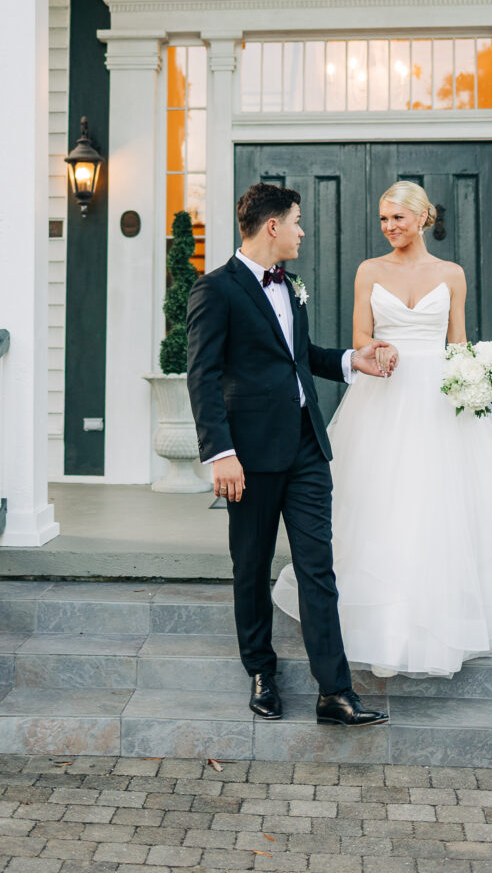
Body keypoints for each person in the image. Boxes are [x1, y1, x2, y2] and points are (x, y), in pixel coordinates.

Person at [272, 181, 492, 678]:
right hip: (384, 395)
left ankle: (447, 615)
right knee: (384, 499)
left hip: (440, 399)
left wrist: (473, 379)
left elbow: (457, 342)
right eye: (383, 219)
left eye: (398, 218)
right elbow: (359, 336)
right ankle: (386, 621)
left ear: (423, 218)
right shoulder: (369, 271)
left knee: (441, 502)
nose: (390, 227)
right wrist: (377, 348)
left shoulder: (452, 274)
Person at [186, 182, 392, 723]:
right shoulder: (216, 289)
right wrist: (220, 453)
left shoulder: (292, 286)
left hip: (306, 449)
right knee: (250, 567)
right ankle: (260, 672)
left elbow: (300, 358)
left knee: (317, 569)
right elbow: (202, 378)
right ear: (272, 226)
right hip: (247, 459)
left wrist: (353, 361)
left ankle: (335, 692)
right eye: (297, 222)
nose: (303, 231)